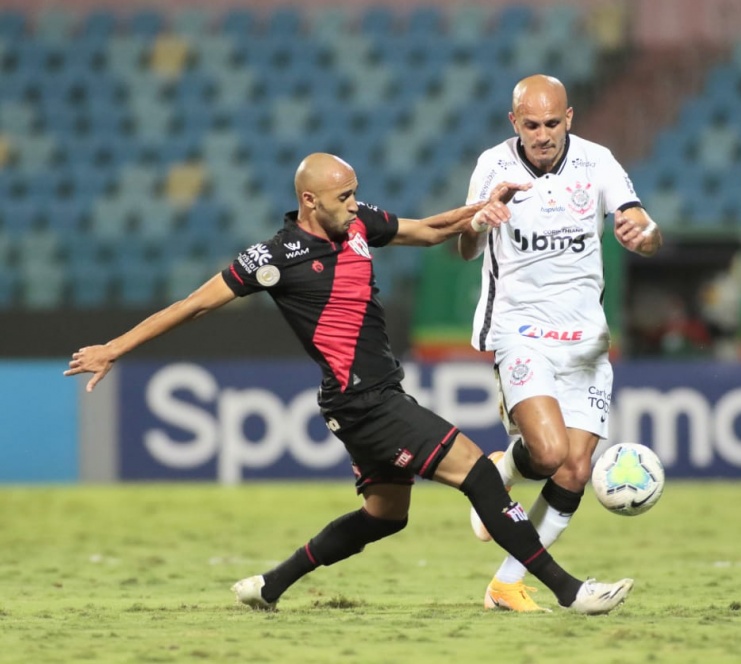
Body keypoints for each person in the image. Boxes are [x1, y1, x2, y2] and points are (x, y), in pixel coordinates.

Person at [64, 152, 631, 615]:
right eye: (343, 197)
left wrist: (481, 211)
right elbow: (193, 306)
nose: (354, 205)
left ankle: (269, 585)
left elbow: (429, 229)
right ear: (309, 201)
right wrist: (113, 349)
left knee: (386, 516)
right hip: (365, 402)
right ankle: (567, 591)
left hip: (367, 400)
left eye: (356, 192)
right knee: (479, 472)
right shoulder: (275, 256)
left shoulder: (358, 226)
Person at [458, 75, 663, 612]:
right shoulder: (493, 166)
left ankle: (505, 584)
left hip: (586, 339)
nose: (543, 135)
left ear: (569, 118)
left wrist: (644, 235)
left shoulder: (597, 162)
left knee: (574, 468)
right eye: (532, 125)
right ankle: (507, 469)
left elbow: (642, 221)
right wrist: (478, 222)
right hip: (520, 331)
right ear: (514, 123)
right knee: (549, 454)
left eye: (553, 123)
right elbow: (463, 248)